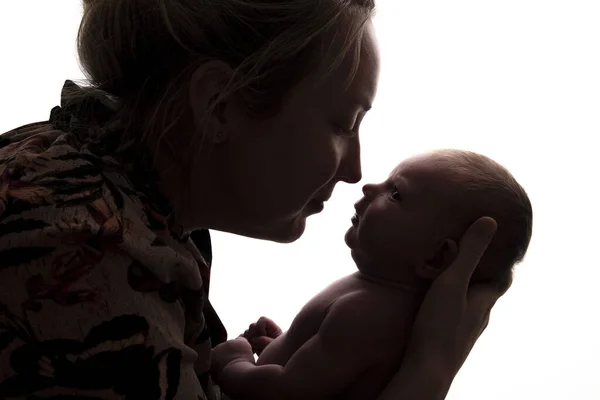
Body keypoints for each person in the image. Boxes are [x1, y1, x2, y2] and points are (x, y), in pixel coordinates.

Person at [0, 1, 505, 399]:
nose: (355, 171)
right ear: (220, 103)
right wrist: (428, 370)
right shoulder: (80, 250)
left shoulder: (125, 207)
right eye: (344, 124)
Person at [210, 150, 533, 400]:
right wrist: (284, 345)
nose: (369, 186)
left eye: (395, 194)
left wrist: (234, 364)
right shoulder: (373, 302)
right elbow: (326, 379)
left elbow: (285, 393)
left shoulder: (367, 314)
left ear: (437, 257)